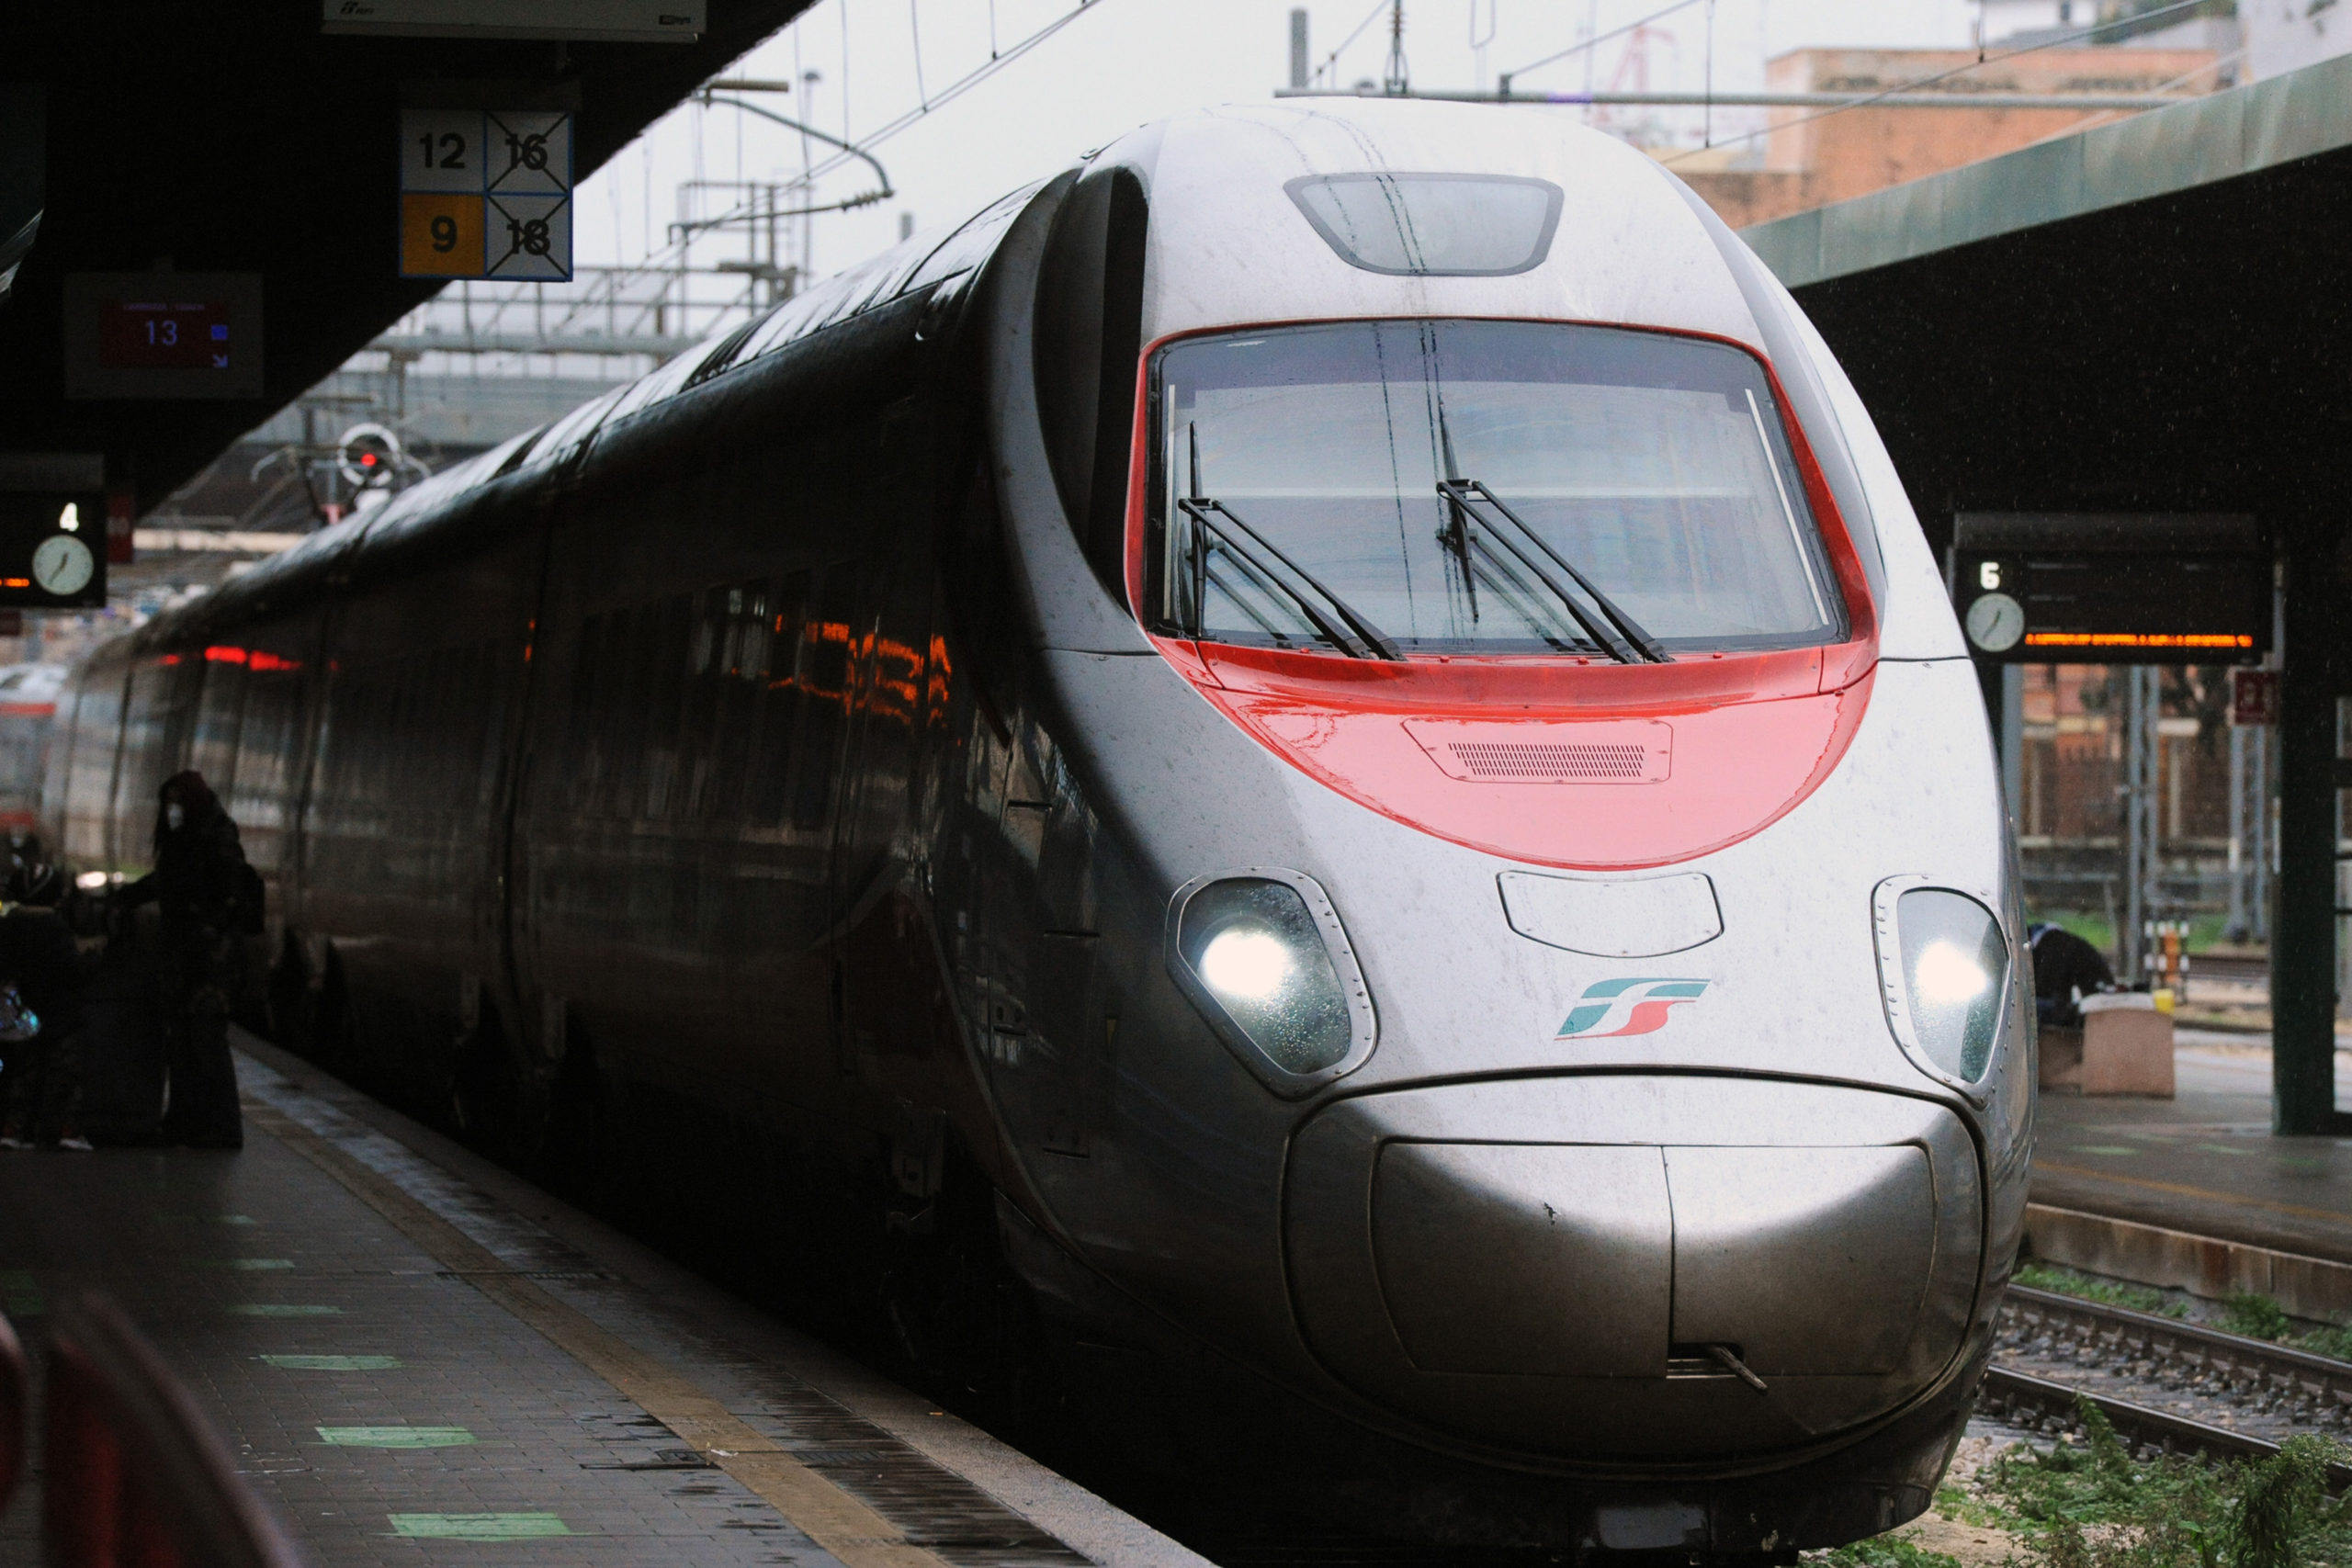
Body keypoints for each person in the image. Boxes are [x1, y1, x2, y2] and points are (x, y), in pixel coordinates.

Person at [116, 772, 257, 1149]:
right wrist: (126, 896)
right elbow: (164, 882)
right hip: (187, 959)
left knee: (206, 1041)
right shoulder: (186, 842)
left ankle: (225, 1129)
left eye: (178, 802)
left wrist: (203, 931)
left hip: (212, 962)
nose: (172, 811)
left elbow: (225, 899)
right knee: (182, 1043)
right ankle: (183, 1123)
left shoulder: (218, 842)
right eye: (169, 803)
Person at [0, 839, 91, 1150]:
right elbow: (72, 972)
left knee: (19, 1076)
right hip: (58, 1018)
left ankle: (11, 1130)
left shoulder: (10, 925)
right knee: (65, 1076)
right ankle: (65, 1131)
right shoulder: (55, 928)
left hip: (18, 1018)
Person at [2028, 921, 2116, 1029]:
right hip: (2088, 1000)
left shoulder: (2052, 943)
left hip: (2090, 1003)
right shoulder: (2057, 941)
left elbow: (2045, 987)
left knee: (2028, 1008)